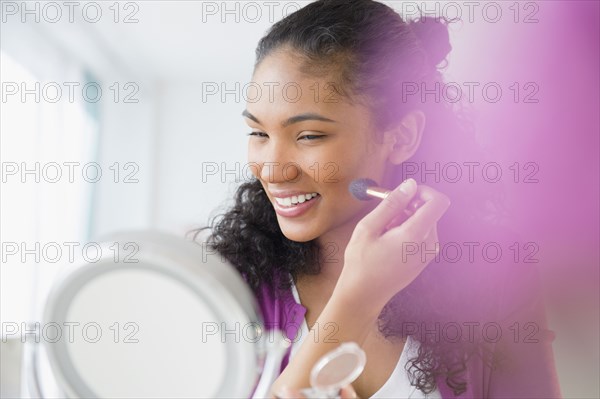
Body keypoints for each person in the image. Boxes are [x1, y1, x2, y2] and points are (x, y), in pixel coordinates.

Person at [192, 0, 562, 397]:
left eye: (309, 136)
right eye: (259, 134)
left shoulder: (497, 274)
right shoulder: (228, 285)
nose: (272, 169)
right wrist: (358, 298)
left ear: (401, 137)